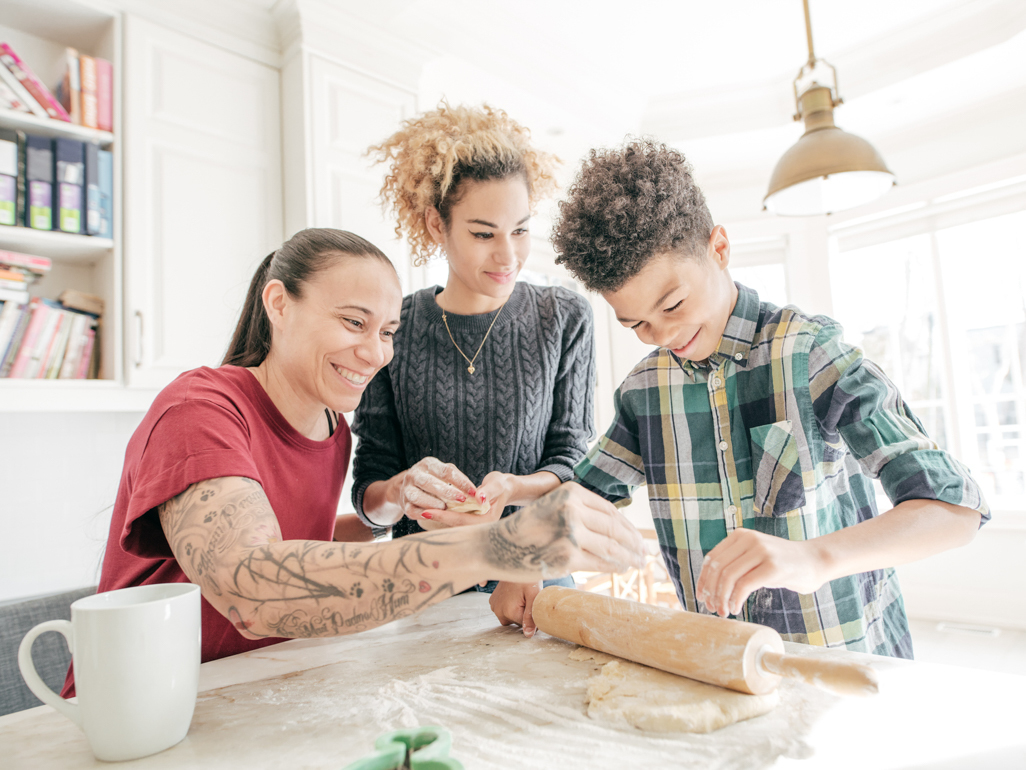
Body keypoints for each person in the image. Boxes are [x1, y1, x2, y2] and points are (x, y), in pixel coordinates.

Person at [61, 228, 643, 696]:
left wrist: (423, 514)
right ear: (278, 305)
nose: (375, 352)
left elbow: (299, 535)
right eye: (353, 322)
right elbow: (253, 589)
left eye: (388, 331)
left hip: (250, 692)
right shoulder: (200, 410)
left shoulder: (330, 427)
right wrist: (503, 546)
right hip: (137, 706)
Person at [546, 140, 989, 658]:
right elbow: (580, 507)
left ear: (719, 248)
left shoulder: (810, 353)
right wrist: (528, 562)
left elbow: (955, 508)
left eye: (673, 304)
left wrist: (815, 558)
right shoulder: (643, 393)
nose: (661, 334)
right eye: (636, 323)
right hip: (725, 666)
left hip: (848, 663)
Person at [352, 104, 597, 634]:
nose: (508, 255)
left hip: (537, 580)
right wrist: (403, 490)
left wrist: (511, 489)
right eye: (484, 234)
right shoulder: (397, 324)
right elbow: (370, 486)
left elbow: (574, 460)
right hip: (422, 587)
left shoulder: (564, 317)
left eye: (521, 230)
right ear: (436, 224)